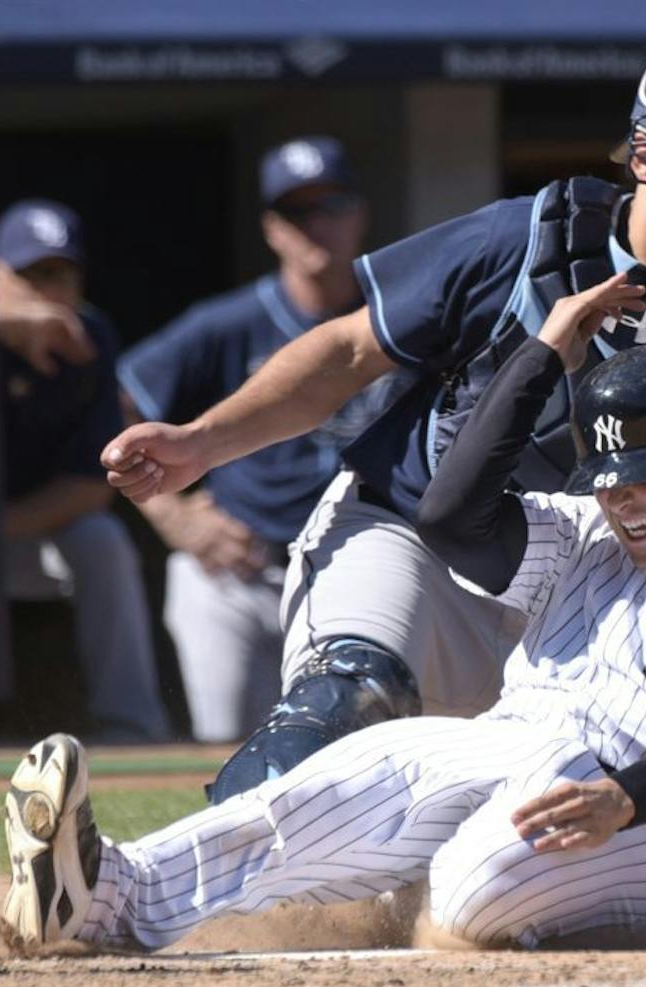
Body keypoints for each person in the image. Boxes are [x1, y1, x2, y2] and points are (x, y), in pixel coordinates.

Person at [100, 45, 646, 804]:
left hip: (582, 580)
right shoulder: (528, 238)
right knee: (349, 697)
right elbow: (348, 352)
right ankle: (180, 883)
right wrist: (200, 442)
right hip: (411, 529)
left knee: (541, 818)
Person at [0, 276, 646, 952]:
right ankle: (107, 894)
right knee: (343, 784)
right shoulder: (589, 535)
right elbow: (449, 517)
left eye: (645, 476)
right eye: (609, 480)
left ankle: (409, 876)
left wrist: (621, 796)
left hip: (643, 826)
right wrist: (542, 351)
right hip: (506, 745)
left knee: (470, 893)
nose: (620, 500)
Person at [117, 137, 383, 743]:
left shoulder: (399, 313)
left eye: (331, 205)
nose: (316, 225)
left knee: (357, 759)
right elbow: (113, 406)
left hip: (363, 570)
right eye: (297, 212)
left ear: (359, 214)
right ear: (271, 229)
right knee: (226, 752)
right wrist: (173, 517)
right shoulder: (229, 323)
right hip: (238, 568)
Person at [0, 199, 171, 742]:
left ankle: (131, 727)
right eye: (31, 275)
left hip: (14, 538)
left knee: (101, 538)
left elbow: (91, 489)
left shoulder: (90, 340)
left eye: (60, 275)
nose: (47, 293)